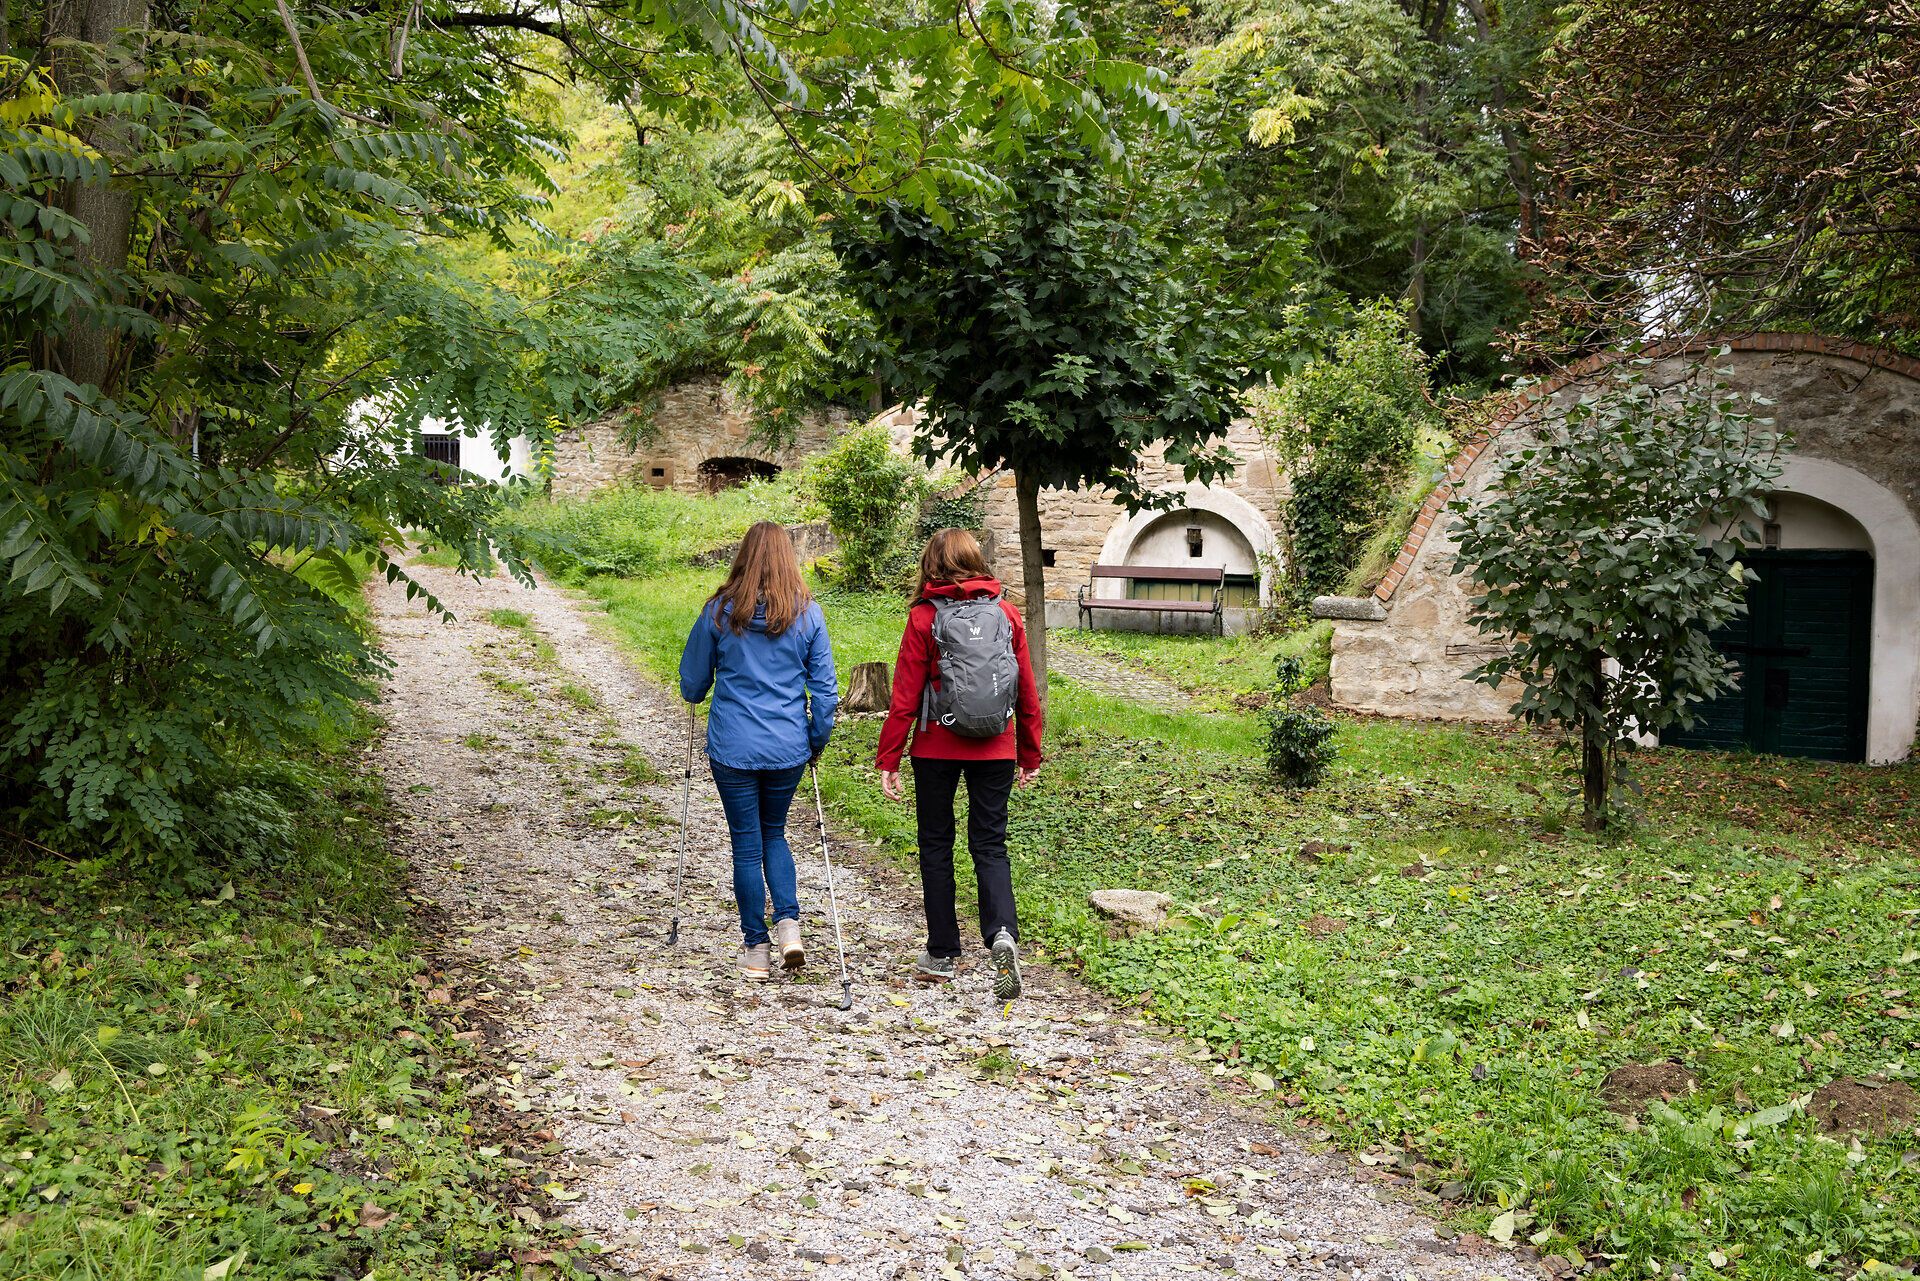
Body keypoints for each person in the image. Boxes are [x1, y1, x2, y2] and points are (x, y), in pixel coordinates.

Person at [876, 528, 1042, 1000]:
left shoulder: (923, 617)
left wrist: (890, 757)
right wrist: (1028, 752)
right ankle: (1002, 935)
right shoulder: (1006, 613)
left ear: (930, 567)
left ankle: (944, 952)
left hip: (935, 749)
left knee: (936, 844)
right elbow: (1026, 691)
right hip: (996, 746)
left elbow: (905, 696)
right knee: (990, 844)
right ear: (976, 561)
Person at [680, 521, 838, 981]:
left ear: (743, 558)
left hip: (733, 747)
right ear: (789, 558)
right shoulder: (808, 613)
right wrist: (814, 739)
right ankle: (789, 925)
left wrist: (703, 685)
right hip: (787, 746)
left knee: (746, 845)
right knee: (776, 833)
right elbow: (825, 693)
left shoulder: (719, 611)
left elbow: (692, 684)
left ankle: (756, 949)